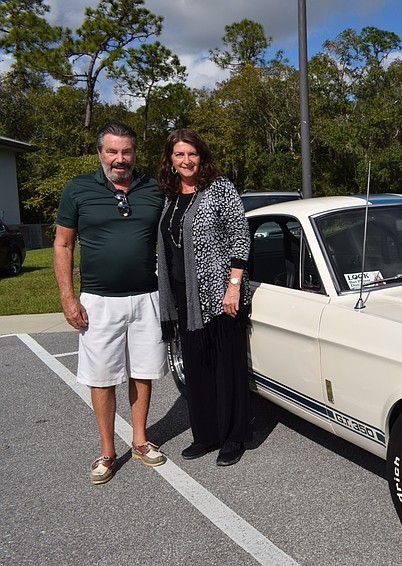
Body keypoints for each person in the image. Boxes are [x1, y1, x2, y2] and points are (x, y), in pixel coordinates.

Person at [54, 121, 167, 485]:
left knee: (143, 371)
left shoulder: (153, 188)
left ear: (135, 152)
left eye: (126, 151)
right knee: (102, 379)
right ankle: (107, 451)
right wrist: (68, 297)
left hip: (146, 297)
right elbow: (63, 244)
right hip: (99, 301)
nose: (120, 159)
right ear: (100, 152)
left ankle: (139, 440)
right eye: (112, 151)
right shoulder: (78, 189)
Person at [156, 129, 253, 466]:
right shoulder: (169, 196)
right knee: (198, 369)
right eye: (179, 155)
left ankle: (233, 438)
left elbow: (241, 236)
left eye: (192, 154)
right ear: (170, 160)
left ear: (202, 156)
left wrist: (234, 285)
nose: (186, 161)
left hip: (220, 295)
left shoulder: (220, 189)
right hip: (185, 298)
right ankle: (207, 435)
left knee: (228, 368)